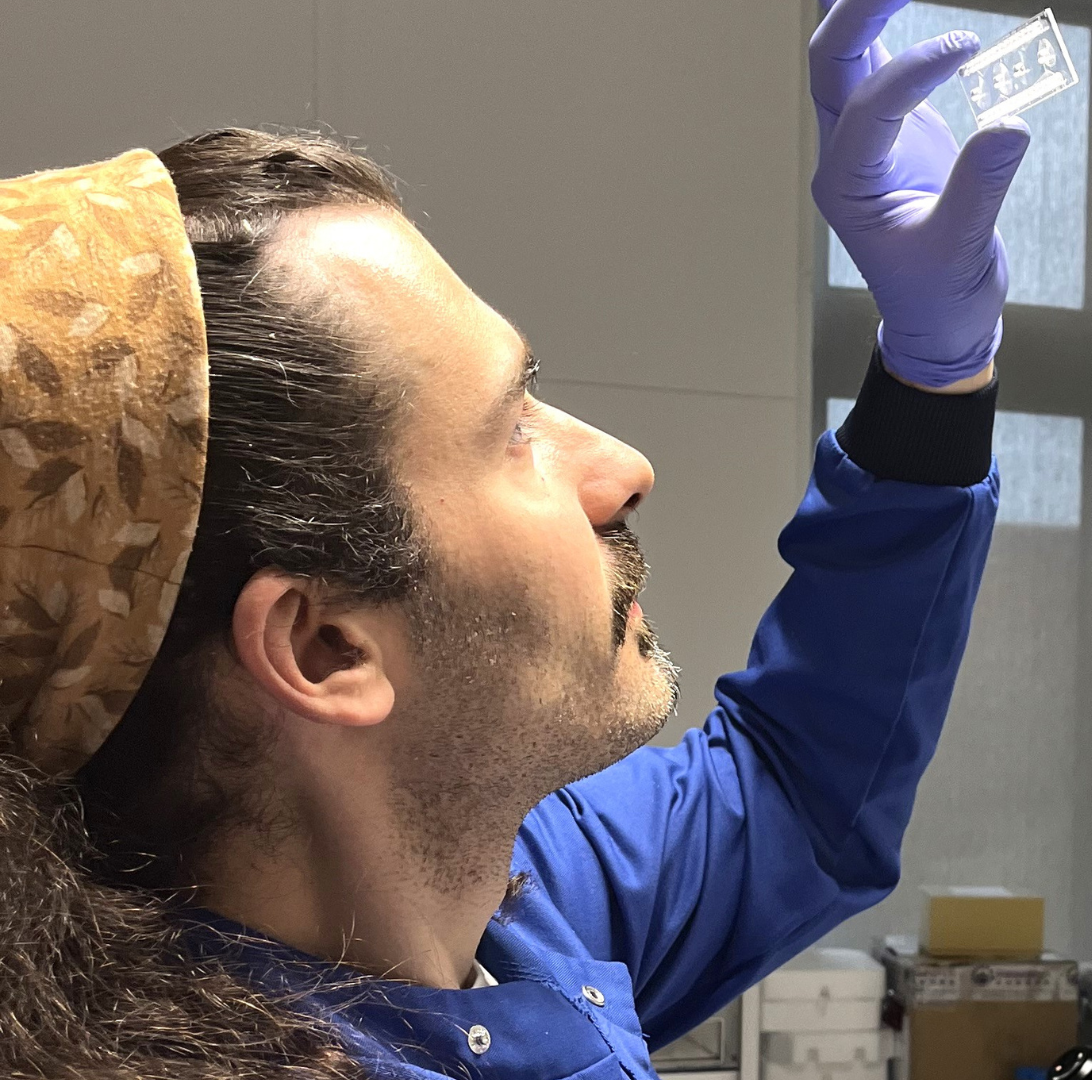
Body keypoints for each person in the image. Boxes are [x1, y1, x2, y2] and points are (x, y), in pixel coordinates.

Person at [0, 0, 1033, 1076]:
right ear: (323, 649)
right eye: (514, 427)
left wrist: (934, 380)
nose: (625, 469)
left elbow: (790, 786)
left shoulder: (488, 908)